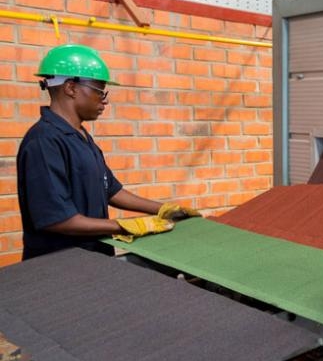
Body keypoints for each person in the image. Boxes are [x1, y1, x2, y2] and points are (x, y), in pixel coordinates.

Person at [16, 44, 199, 260]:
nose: (104, 99)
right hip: (59, 267)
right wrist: (125, 226)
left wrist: (164, 209)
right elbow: (57, 219)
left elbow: (111, 190)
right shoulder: (44, 142)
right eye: (99, 90)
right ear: (70, 88)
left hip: (93, 259)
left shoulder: (81, 137)